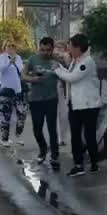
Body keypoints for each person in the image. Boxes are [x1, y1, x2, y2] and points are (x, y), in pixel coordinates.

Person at [53, 33, 101, 177]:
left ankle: (94, 164)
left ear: (78, 48)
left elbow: (72, 78)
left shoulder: (87, 62)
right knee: (75, 136)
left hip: (89, 105)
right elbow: (68, 73)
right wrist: (60, 68)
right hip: (75, 105)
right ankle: (78, 164)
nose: (69, 51)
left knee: (89, 135)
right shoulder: (76, 60)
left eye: (70, 48)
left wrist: (57, 70)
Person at [23, 36, 61, 168]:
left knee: (52, 129)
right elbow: (23, 75)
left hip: (51, 99)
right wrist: (32, 79)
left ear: (52, 49)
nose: (45, 53)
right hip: (36, 100)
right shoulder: (33, 59)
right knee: (37, 129)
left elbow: (68, 72)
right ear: (39, 48)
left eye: (48, 50)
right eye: (42, 50)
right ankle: (43, 149)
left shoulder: (57, 60)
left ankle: (55, 155)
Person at [0, 41, 27, 146]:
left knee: (21, 114)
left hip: (17, 89)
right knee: (6, 115)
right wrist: (9, 63)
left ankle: (18, 135)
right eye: (8, 46)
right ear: (5, 47)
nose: (11, 48)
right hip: (5, 89)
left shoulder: (18, 58)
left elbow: (22, 71)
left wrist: (15, 63)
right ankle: (4, 139)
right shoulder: (2, 58)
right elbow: (1, 70)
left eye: (13, 46)